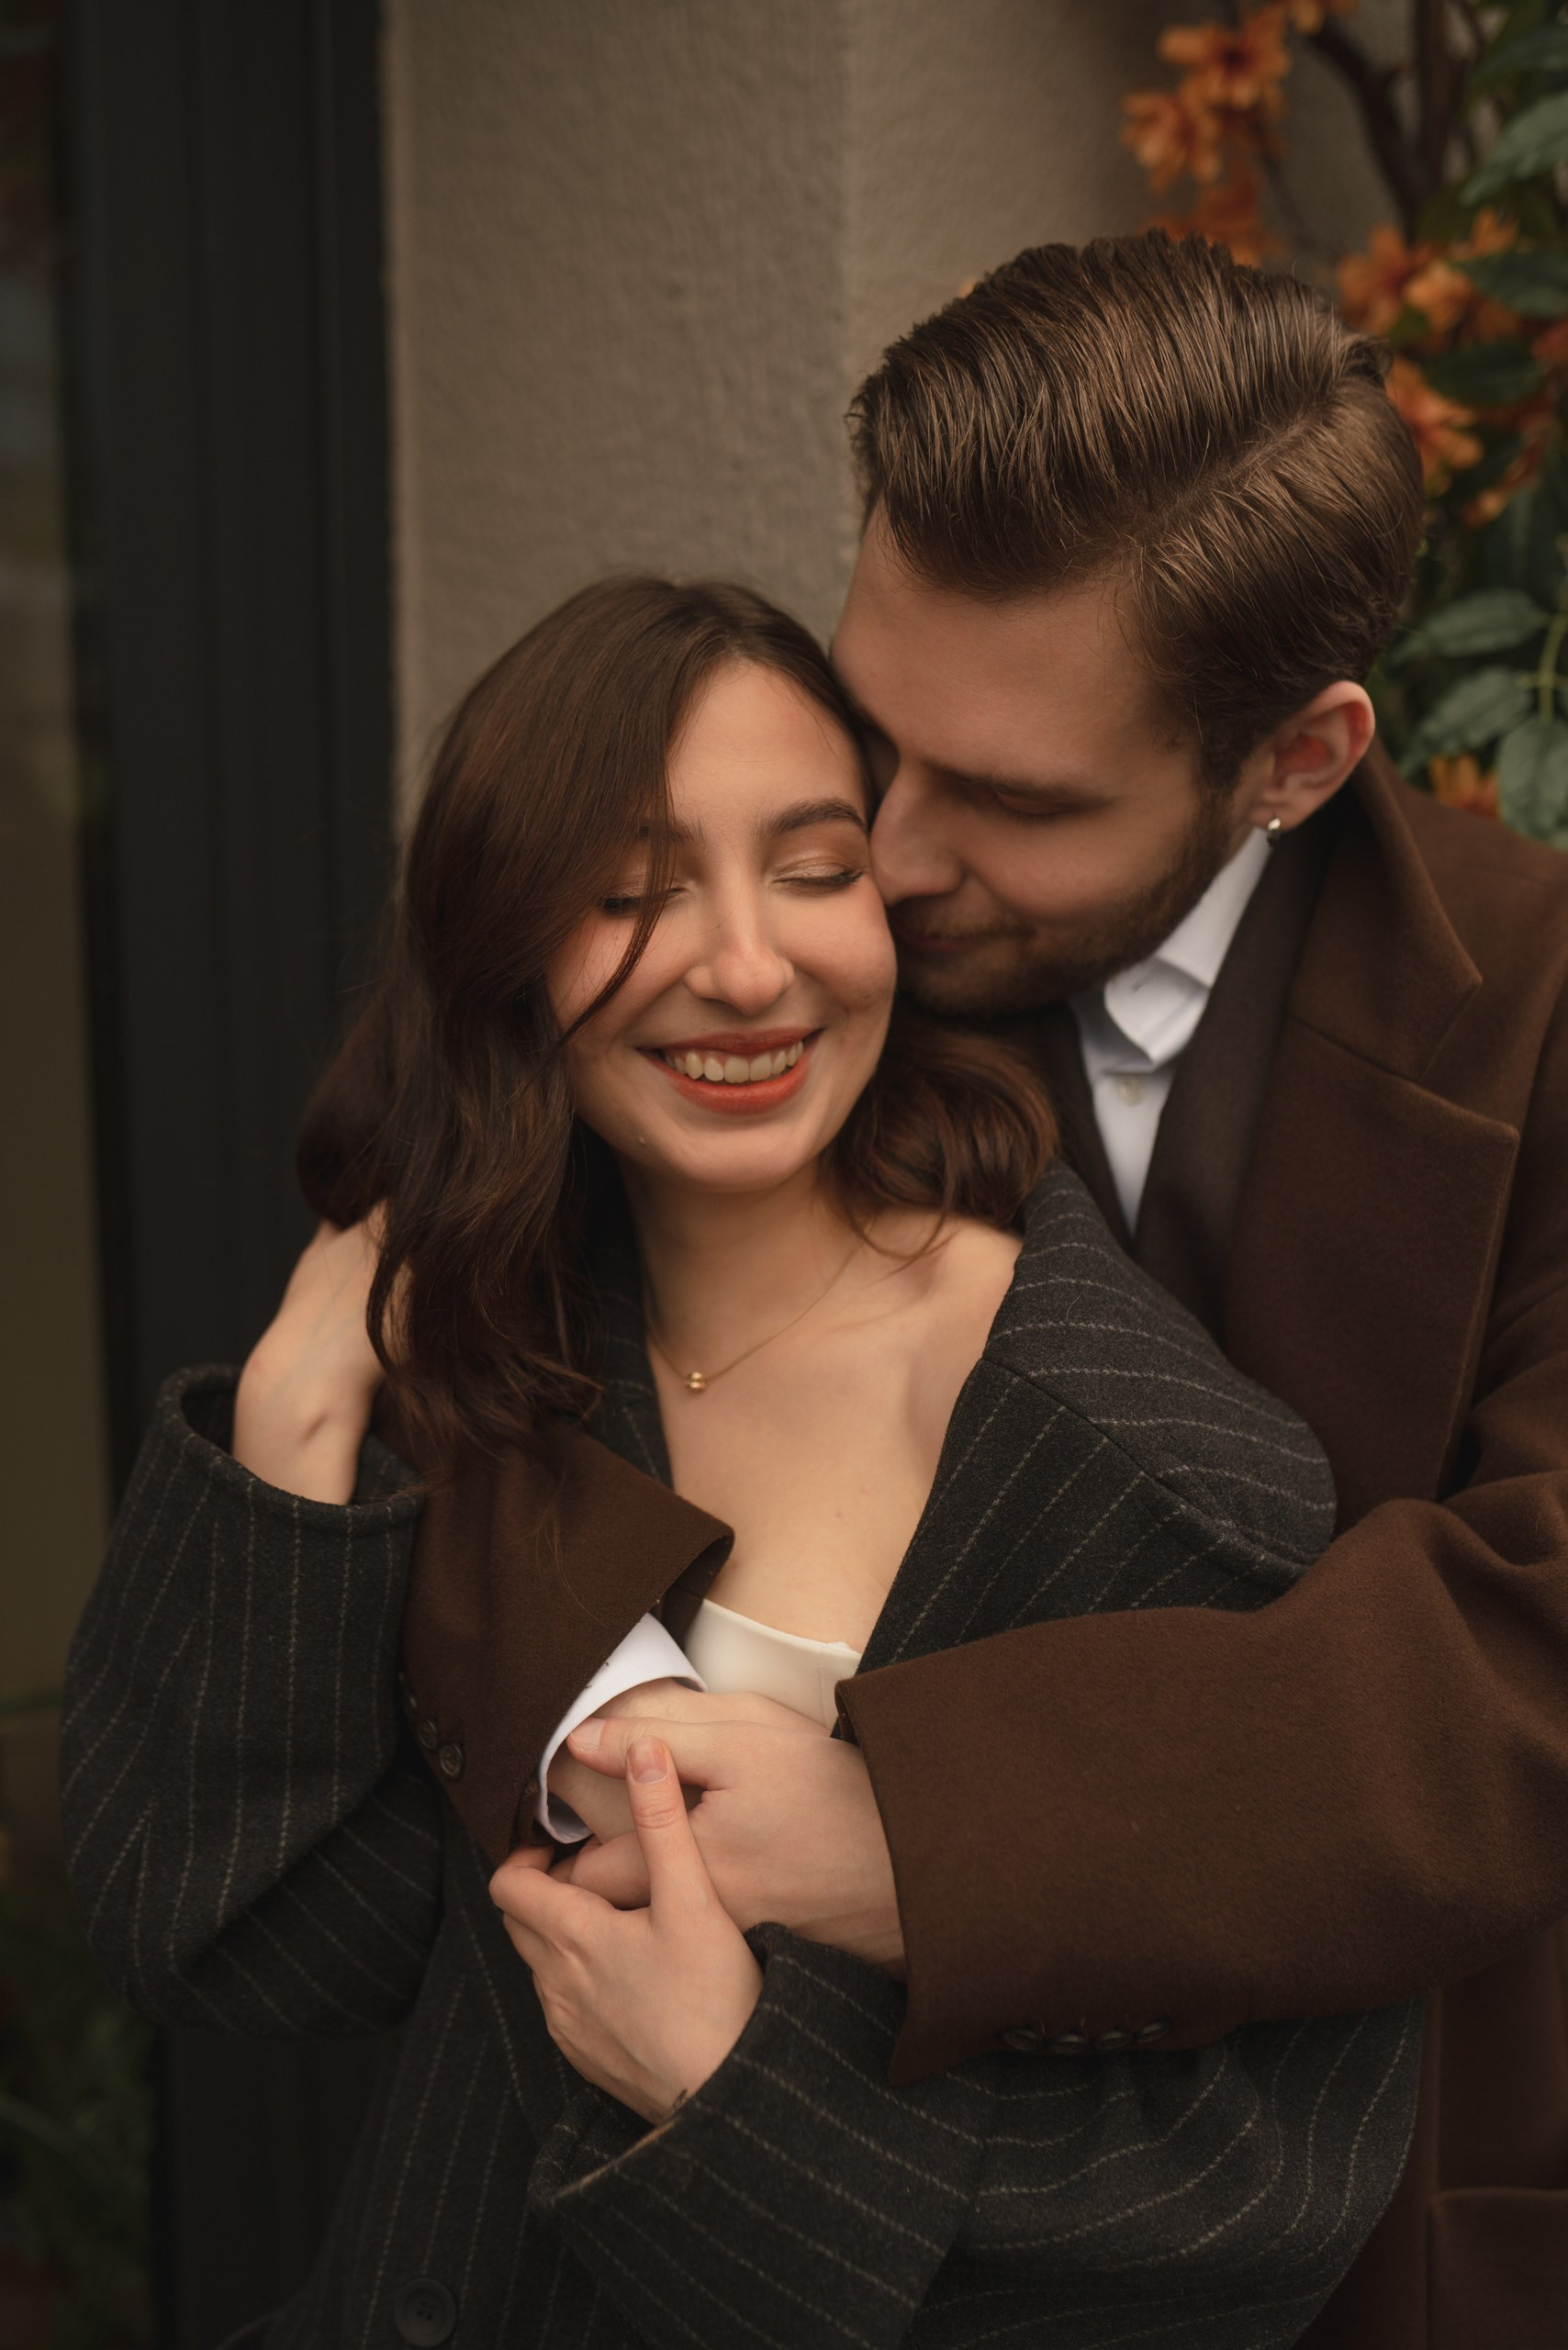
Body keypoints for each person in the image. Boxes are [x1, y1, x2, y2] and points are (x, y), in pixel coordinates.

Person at [61, 576, 1417, 2348]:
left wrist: (739, 2094)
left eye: (814, 867)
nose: (750, 967)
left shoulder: (1134, 1457)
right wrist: (292, 1427)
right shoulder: (502, 1359)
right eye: (632, 895)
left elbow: (1256, 2204)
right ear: (501, 946)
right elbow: (232, 1934)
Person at [485, 235, 1568, 2350]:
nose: (878, 857)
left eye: (1007, 799)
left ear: (1296, 757)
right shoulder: (770, 962)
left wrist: (923, 1821)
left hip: (1384, 2241)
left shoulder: (1537, 1006)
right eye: (876, 732)